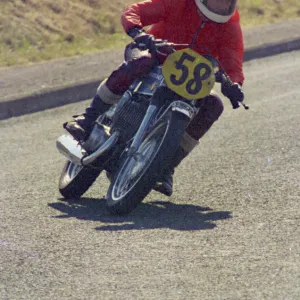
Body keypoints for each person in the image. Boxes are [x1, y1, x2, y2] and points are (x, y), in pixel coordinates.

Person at [64, 0, 245, 196]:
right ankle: (88, 119)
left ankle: (167, 166)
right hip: (152, 52)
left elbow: (233, 63)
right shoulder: (180, 3)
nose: (221, 4)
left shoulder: (231, 25)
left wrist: (234, 84)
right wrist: (138, 33)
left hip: (188, 79)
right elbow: (135, 11)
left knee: (214, 103)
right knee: (142, 61)